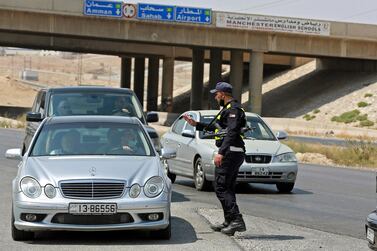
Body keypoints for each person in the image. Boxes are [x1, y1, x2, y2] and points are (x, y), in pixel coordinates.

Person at [183, 81, 247, 236]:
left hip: (231, 152)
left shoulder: (234, 110)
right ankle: (229, 220)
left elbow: (231, 133)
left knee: (221, 187)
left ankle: (237, 220)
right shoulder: (226, 109)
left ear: (223, 94)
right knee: (227, 187)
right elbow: (218, 128)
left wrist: (221, 152)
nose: (215, 96)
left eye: (216, 93)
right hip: (232, 151)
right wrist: (196, 124)